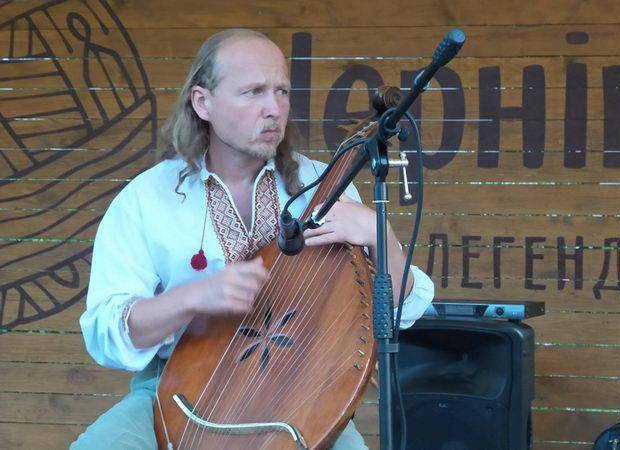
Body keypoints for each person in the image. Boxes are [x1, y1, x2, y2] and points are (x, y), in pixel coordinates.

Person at [72, 28, 434, 449]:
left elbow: (398, 310)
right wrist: (193, 297)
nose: (274, 109)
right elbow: (107, 333)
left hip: (301, 394)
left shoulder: (323, 186)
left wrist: (379, 234)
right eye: (253, 92)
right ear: (202, 102)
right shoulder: (147, 198)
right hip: (177, 388)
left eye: (282, 91)